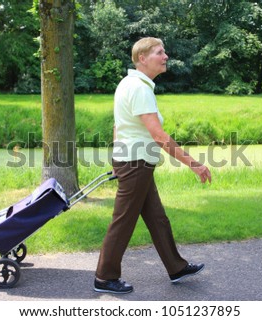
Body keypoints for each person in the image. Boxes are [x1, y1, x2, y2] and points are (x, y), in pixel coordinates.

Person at [94, 37, 212, 294]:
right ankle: (104, 277)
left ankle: (176, 266)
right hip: (135, 163)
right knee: (123, 220)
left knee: (157, 218)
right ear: (142, 58)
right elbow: (158, 135)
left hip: (134, 161)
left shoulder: (131, 83)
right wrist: (194, 165)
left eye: (164, 51)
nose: (166, 56)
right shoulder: (139, 87)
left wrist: (117, 157)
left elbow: (119, 125)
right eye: (160, 52)